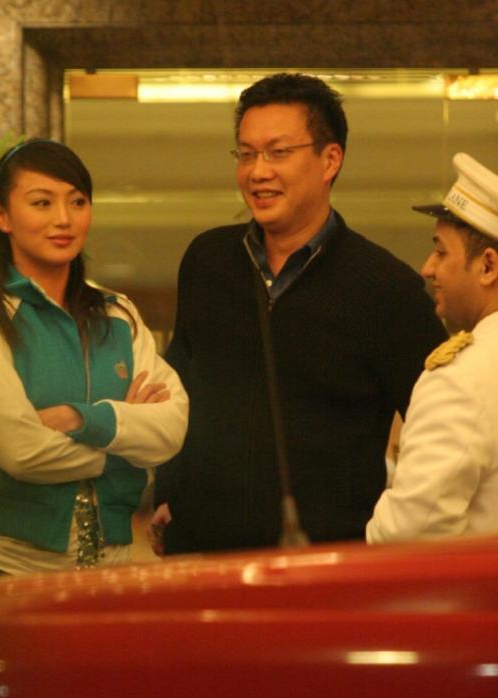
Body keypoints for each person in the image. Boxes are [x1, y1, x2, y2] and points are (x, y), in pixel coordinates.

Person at [149, 72, 446, 555]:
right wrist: (168, 488)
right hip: (201, 556)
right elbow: (178, 387)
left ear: (330, 160)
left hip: (327, 564)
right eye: (246, 154)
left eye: (278, 152)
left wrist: (393, 528)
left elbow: (439, 426)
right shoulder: (208, 260)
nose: (257, 171)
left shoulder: (386, 288)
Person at [0, 138, 188, 612]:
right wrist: (125, 443)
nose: (63, 219)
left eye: (77, 202)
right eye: (42, 203)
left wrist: (79, 418)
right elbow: (21, 451)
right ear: (1, 216)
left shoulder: (118, 314)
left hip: (113, 565)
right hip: (6, 567)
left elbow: (172, 428)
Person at [367, 153, 498, 542]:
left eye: (441, 252)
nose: (427, 268)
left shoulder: (462, 380)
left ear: (488, 266)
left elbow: (409, 534)